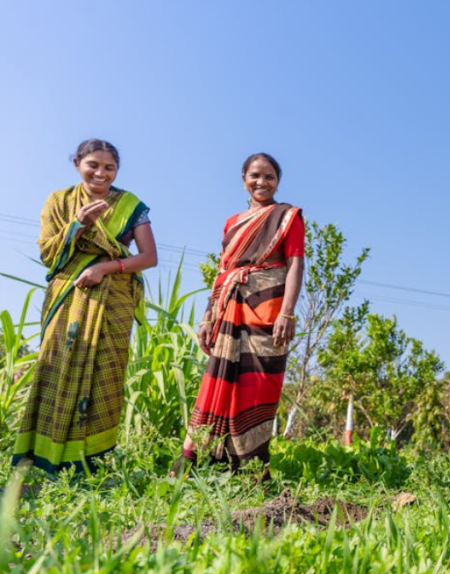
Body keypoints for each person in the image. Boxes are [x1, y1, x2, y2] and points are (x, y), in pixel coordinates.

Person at [13, 139, 158, 473]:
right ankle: (40, 462)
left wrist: (104, 268)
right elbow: (48, 253)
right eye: (93, 165)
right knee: (56, 368)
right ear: (77, 163)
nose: (100, 173)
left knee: (105, 374)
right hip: (69, 295)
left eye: (109, 168)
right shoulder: (60, 201)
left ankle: (91, 463)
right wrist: (77, 225)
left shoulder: (130, 205)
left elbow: (148, 257)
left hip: (113, 299)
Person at [176, 153, 305, 477]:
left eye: (269, 177)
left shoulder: (288, 217)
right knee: (219, 379)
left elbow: (295, 265)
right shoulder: (232, 223)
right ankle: (204, 460)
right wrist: (208, 317)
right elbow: (223, 271)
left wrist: (287, 314)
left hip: (268, 307)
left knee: (260, 382)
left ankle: (250, 466)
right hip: (228, 307)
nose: (261, 182)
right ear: (243, 178)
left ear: (278, 181)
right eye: (255, 176)